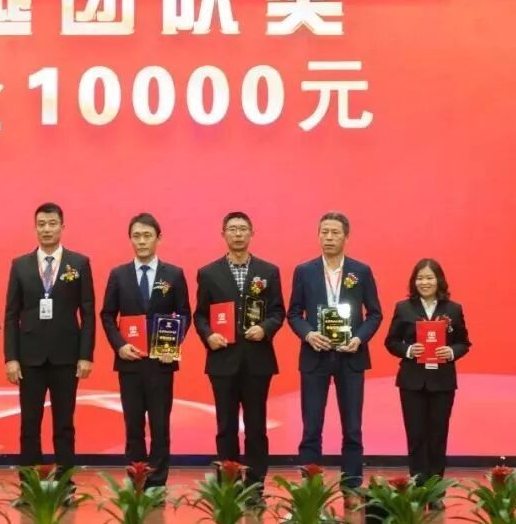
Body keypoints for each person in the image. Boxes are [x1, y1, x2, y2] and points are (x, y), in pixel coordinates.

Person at [287, 212, 382, 504]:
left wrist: (359, 338)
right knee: (311, 426)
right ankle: (310, 485)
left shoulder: (360, 271)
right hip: (314, 356)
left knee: (352, 426)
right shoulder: (304, 271)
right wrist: (308, 334)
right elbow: (294, 313)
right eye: (324, 232)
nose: (329, 238)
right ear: (318, 235)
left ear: (346, 236)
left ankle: (351, 484)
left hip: (350, 357)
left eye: (335, 233)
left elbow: (375, 314)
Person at [4, 202, 95, 499]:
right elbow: (11, 315)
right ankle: (28, 487)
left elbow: (88, 313)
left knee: (64, 425)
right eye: (41, 224)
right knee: (29, 424)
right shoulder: (20, 265)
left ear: (62, 227)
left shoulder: (78, 263)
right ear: (35, 228)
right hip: (29, 358)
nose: (46, 229)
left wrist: (85, 355)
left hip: (66, 357)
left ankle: (66, 485)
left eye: (52, 223)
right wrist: (11, 358)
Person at [193, 211, 284, 500]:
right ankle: (228, 486)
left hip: (257, 360)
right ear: (223, 234)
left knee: (256, 427)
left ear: (251, 233)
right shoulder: (209, 273)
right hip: (223, 360)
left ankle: (255, 486)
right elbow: (200, 315)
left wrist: (265, 328)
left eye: (243, 229)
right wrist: (209, 335)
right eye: (232, 229)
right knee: (226, 426)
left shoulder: (268, 271)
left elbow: (278, 312)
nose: (238, 234)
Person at [100, 213, 190, 489]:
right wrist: (119, 345)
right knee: (133, 424)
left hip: (161, 362)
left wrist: (173, 345)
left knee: (160, 425)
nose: (141, 241)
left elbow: (184, 313)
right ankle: (137, 478)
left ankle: (158, 481)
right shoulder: (119, 274)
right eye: (136, 236)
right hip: (130, 362)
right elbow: (107, 315)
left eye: (147, 236)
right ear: (130, 239)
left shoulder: (173, 274)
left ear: (158, 238)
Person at [384, 258, 471, 506]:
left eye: (429, 277)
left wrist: (451, 352)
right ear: (414, 282)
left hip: (442, 382)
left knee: (438, 437)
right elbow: (391, 342)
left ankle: (436, 493)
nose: (424, 282)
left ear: (439, 280)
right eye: (420, 278)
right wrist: (409, 350)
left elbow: (464, 342)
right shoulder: (403, 308)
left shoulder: (453, 309)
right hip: (412, 382)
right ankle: (419, 490)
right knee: (416, 437)